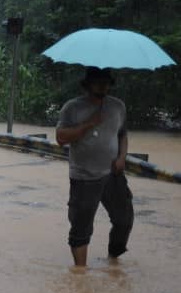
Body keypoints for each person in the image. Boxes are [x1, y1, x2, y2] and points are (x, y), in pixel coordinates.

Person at [55, 66, 134, 267]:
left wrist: (122, 157)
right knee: (81, 226)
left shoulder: (118, 106)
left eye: (106, 83)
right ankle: (80, 275)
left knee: (124, 220)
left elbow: (122, 134)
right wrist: (89, 123)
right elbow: (61, 138)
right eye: (98, 82)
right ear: (87, 85)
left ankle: (113, 261)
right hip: (84, 176)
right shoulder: (72, 108)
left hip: (113, 173)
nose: (102, 86)